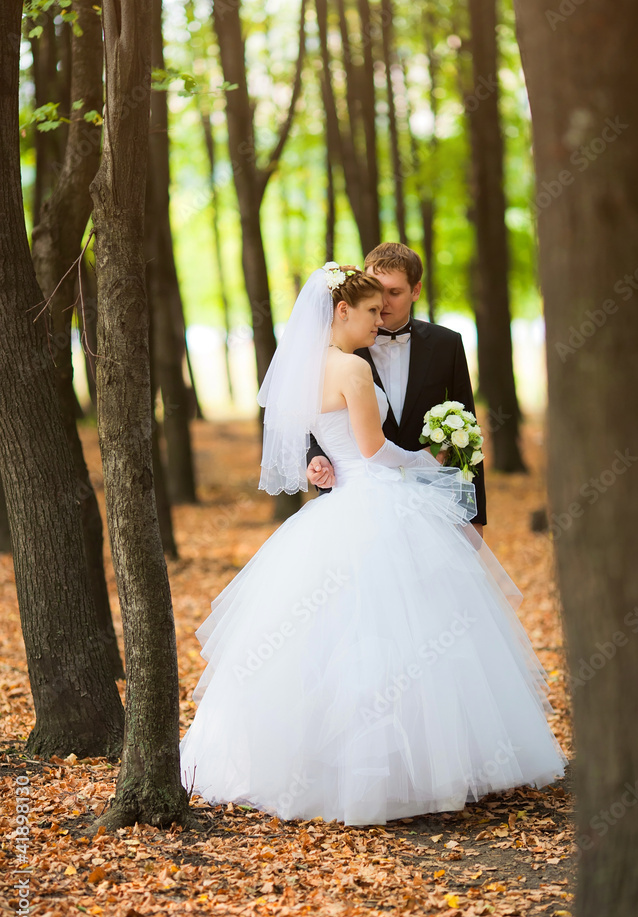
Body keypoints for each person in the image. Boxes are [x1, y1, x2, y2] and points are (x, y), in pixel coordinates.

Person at [179, 263, 566, 827]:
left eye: (385, 304)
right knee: (402, 632)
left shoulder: (305, 366)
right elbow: (375, 449)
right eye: (368, 310)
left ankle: (316, 763)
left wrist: (332, 462)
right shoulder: (355, 370)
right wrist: (427, 465)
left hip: (342, 506)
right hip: (379, 499)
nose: (377, 317)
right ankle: (409, 772)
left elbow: (322, 434)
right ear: (342, 311)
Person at [306, 242, 487, 536]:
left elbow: (466, 435)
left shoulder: (446, 346)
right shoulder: (343, 356)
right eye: (376, 292)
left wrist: (473, 514)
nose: (383, 304)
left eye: (394, 292)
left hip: (432, 508)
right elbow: (309, 423)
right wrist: (314, 456)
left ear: (415, 291)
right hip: (360, 509)